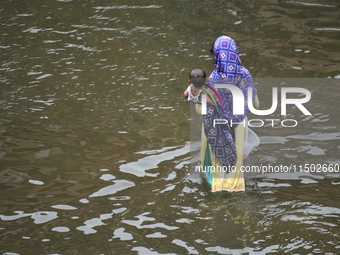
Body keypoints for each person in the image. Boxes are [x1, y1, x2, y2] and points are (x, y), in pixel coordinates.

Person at [185, 35, 259, 192]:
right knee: (236, 164)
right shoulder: (245, 74)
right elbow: (255, 104)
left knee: (216, 165)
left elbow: (201, 109)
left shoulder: (213, 78)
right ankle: (236, 190)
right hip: (238, 126)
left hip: (215, 128)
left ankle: (217, 194)